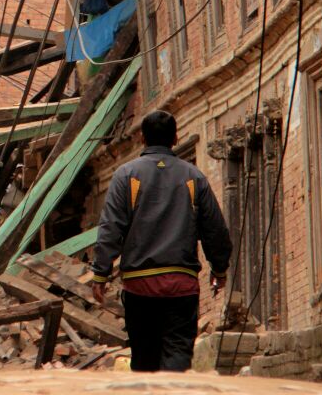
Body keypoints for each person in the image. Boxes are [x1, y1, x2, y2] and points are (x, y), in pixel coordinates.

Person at [90, 110, 232, 372]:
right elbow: (215, 230)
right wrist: (219, 268)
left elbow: (110, 228)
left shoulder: (126, 175)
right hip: (181, 286)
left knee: (144, 356)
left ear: (142, 138)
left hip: (139, 287)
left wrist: (101, 273)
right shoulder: (193, 177)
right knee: (178, 351)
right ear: (176, 137)